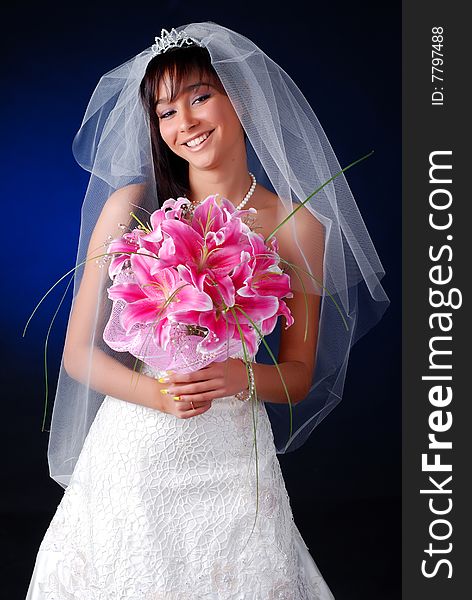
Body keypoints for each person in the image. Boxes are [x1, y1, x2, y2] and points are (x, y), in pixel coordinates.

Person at [25, 22, 389, 598]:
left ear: (239, 99)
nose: (185, 124)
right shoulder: (133, 207)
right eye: (166, 112)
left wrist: (240, 376)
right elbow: (77, 353)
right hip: (136, 453)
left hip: (233, 459)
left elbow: (297, 377)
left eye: (199, 97)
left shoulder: (297, 227)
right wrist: (156, 394)